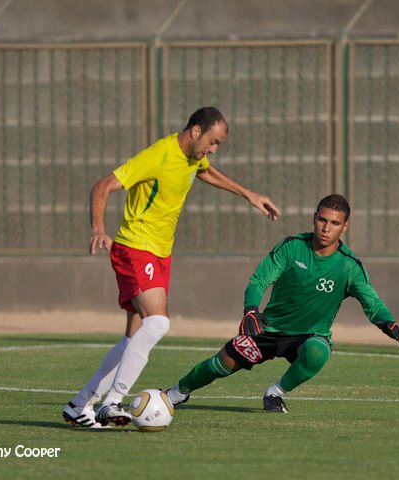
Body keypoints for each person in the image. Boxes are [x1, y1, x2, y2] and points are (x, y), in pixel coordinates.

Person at [62, 106, 281, 428]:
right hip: (137, 248)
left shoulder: (192, 158)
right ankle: (112, 402)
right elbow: (102, 186)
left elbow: (205, 170)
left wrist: (249, 194)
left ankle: (79, 406)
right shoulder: (158, 155)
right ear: (195, 131)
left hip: (159, 253)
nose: (213, 149)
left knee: (133, 336)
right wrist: (98, 229)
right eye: (213, 141)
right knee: (158, 324)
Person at [164, 194, 399, 413]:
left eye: (334, 223)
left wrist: (387, 321)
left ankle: (275, 394)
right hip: (268, 329)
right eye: (322, 220)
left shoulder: (349, 266)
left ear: (345, 226)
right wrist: (251, 310)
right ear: (314, 218)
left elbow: (371, 301)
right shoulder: (292, 247)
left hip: (309, 335)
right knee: (220, 365)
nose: (326, 228)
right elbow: (259, 280)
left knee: (318, 352)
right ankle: (176, 393)